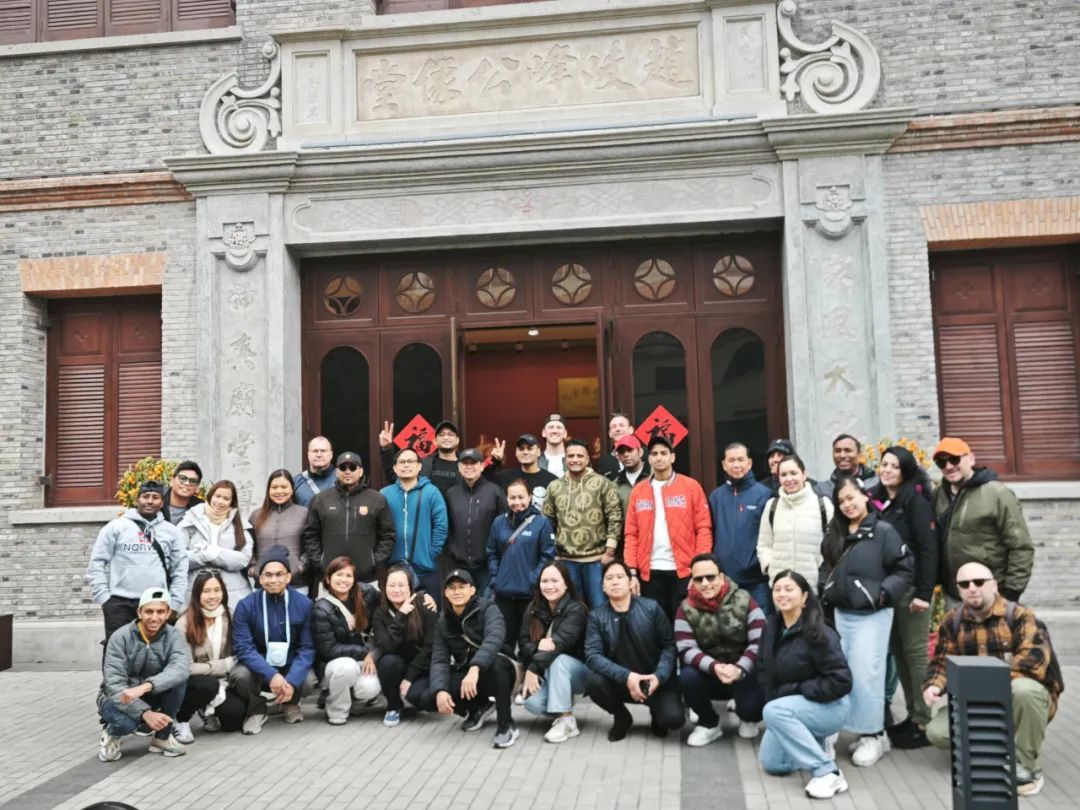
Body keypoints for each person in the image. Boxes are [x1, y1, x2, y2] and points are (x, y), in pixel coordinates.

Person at [923, 562, 1063, 797]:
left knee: (1025, 690)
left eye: (979, 582)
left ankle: (1027, 767)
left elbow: (1033, 662)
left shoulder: (1020, 616)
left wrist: (990, 684)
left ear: (994, 586)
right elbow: (941, 662)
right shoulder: (952, 621)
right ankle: (996, 747)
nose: (972, 588)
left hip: (1019, 698)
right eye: (964, 584)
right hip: (977, 702)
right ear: (959, 591)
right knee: (937, 733)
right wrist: (933, 685)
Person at [820, 475, 913, 767]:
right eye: (841, 501)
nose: (847, 505)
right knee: (844, 672)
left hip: (873, 614)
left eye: (851, 497)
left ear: (864, 496)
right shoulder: (836, 532)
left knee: (867, 675)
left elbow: (904, 569)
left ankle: (874, 734)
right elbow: (827, 567)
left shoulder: (883, 531)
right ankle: (859, 730)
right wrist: (826, 590)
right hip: (841, 612)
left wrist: (883, 594)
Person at [757, 570, 852, 800]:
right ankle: (815, 743)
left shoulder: (820, 632)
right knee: (773, 764)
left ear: (805, 597)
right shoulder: (771, 627)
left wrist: (796, 690)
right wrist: (777, 697)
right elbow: (763, 669)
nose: (782, 594)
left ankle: (828, 772)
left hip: (830, 706)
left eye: (789, 589)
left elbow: (841, 681)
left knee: (773, 712)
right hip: (791, 708)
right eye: (777, 589)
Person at [870, 446, 938, 749]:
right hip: (889, 588)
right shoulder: (876, 499)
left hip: (912, 590)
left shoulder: (916, 501)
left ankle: (924, 720)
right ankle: (913, 716)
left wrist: (924, 593)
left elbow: (928, 549)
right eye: (884, 464)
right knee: (899, 653)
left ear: (906, 470)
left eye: (894, 466)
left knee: (915, 654)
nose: (887, 470)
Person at [583, 560, 683, 741]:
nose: (615, 582)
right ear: (603, 587)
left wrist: (658, 676)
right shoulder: (596, 616)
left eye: (620, 577)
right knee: (592, 682)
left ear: (630, 583)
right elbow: (593, 655)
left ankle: (656, 712)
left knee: (673, 720)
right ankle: (622, 717)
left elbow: (669, 645)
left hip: (654, 681)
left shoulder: (651, 608)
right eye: (609, 578)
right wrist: (628, 677)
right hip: (621, 682)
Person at [676, 553, 767, 746]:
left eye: (710, 577)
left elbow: (760, 641)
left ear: (721, 576)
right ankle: (709, 723)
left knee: (759, 690)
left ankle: (747, 716)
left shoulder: (745, 600)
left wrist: (740, 669)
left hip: (743, 674)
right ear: (692, 581)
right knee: (687, 677)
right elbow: (686, 648)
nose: (705, 583)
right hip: (710, 674)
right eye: (699, 579)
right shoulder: (684, 608)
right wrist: (715, 667)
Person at [931, 437, 1033, 604]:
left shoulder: (997, 493)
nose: (948, 466)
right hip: (955, 593)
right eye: (941, 463)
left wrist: (1012, 592)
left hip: (992, 593)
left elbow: (1020, 546)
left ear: (971, 458)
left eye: (954, 459)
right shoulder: (938, 494)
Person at [623, 436, 712, 622]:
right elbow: (631, 534)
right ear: (649, 458)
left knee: (685, 623)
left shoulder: (691, 486)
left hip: (684, 571)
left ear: (672, 457)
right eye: (654, 453)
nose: (659, 457)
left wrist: (699, 567)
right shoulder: (638, 491)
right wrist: (632, 571)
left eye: (664, 453)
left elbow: (703, 529)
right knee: (656, 625)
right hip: (650, 572)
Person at [87, 480, 188, 644]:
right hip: (120, 604)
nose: (150, 501)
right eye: (145, 496)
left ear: (162, 502)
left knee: (154, 652)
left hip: (156, 604)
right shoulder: (115, 527)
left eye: (155, 497)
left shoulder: (172, 532)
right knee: (118, 652)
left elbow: (180, 570)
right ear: (137, 500)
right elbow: (96, 563)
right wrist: (104, 598)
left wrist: (175, 603)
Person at [230, 545, 317, 735]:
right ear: (260, 578)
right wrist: (272, 674)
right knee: (240, 676)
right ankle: (257, 709)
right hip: (258, 667)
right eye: (268, 575)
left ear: (288, 577)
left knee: (308, 680)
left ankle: (290, 702)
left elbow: (307, 648)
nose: (273, 580)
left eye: (279, 574)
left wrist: (292, 681)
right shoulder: (246, 606)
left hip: (290, 664)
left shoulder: (304, 604)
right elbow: (243, 647)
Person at [97, 587, 190, 762]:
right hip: (117, 698)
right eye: (149, 611)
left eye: (160, 612)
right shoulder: (120, 637)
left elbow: (181, 667)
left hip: (148, 692)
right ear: (139, 612)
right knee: (126, 724)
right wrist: (146, 714)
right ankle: (111, 733)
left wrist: (146, 686)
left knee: (179, 681)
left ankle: (162, 737)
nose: (154, 617)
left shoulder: (174, 636)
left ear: (168, 613)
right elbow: (114, 686)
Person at [431, 569, 519, 748]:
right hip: (471, 673)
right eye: (452, 588)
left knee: (497, 666)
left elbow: (494, 639)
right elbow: (439, 659)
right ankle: (479, 707)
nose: (457, 592)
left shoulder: (488, 608)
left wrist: (475, 667)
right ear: (446, 592)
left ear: (472, 590)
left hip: (503, 668)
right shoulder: (443, 621)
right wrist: (440, 690)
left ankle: (506, 725)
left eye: (462, 587)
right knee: (434, 691)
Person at [543, 439, 623, 609]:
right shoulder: (554, 486)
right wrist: (553, 554)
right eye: (571, 456)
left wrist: (610, 550)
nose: (575, 459)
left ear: (587, 459)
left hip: (596, 559)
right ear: (565, 459)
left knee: (599, 607)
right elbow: (547, 521)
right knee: (573, 609)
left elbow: (615, 515)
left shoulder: (602, 483)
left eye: (580, 456)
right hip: (565, 560)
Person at [302, 451, 396, 588]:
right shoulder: (320, 500)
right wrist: (320, 562)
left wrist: (373, 562)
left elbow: (387, 535)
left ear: (361, 471)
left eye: (352, 467)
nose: (347, 471)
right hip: (330, 578)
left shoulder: (376, 499)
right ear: (336, 472)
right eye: (343, 467)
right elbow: (310, 534)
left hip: (366, 579)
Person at [519, 562, 590, 743]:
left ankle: (567, 721)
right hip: (549, 671)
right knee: (532, 704)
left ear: (566, 584)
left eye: (555, 581)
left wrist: (533, 669)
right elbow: (523, 644)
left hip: (579, 673)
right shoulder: (533, 608)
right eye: (545, 581)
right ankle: (562, 703)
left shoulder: (576, 609)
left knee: (559, 660)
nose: (549, 586)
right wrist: (538, 645)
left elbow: (559, 645)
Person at [174, 570, 246, 740]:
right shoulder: (184, 623)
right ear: (197, 594)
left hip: (222, 681)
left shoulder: (230, 615)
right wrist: (224, 665)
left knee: (234, 719)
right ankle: (181, 719)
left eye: (217, 590)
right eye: (206, 591)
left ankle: (206, 709)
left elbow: (237, 653)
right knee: (207, 685)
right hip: (193, 682)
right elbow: (186, 667)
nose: (212, 596)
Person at [313, 556, 382, 725]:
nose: (344, 580)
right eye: (339, 575)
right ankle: (337, 710)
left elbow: (392, 599)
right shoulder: (321, 608)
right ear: (328, 579)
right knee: (347, 668)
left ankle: (356, 701)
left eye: (348, 576)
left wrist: (423, 597)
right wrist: (365, 653)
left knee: (370, 688)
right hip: (334, 664)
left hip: (361, 659)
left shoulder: (367, 594)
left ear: (354, 579)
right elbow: (328, 650)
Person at [487, 479, 556, 647]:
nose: (517, 502)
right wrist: (496, 577)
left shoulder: (541, 523)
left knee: (530, 642)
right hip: (504, 593)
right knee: (504, 641)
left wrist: (534, 579)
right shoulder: (499, 522)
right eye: (512, 498)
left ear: (530, 496)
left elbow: (547, 556)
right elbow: (492, 552)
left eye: (521, 497)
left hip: (530, 594)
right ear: (507, 498)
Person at [709, 441, 774, 613]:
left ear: (749, 463)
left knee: (762, 628)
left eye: (740, 459)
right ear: (724, 465)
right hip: (725, 582)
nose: (736, 465)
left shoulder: (764, 494)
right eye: (731, 460)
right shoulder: (716, 497)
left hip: (757, 583)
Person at [372, 564, 439, 727]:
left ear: (410, 587)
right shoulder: (380, 613)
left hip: (422, 666)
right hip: (397, 664)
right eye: (391, 585)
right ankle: (393, 706)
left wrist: (409, 677)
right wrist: (400, 616)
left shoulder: (424, 604)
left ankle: (417, 693)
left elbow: (430, 646)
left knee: (424, 700)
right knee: (387, 662)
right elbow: (387, 646)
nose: (396, 590)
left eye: (401, 585)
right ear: (384, 587)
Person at [380, 447, 449, 597]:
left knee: (429, 608)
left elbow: (441, 525)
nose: (406, 465)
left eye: (410, 461)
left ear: (419, 466)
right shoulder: (384, 494)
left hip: (426, 567)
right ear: (395, 468)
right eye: (402, 462)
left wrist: (432, 552)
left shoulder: (431, 492)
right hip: (394, 568)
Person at [756, 454, 832, 586]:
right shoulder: (772, 506)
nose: (789, 479)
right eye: (783, 475)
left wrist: (822, 570)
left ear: (804, 474)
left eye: (793, 473)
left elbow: (834, 544)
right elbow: (764, 544)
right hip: (781, 588)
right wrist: (770, 567)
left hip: (813, 585)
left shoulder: (822, 505)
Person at [443, 448, 507, 596]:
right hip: (458, 564)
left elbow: (505, 526)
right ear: (459, 467)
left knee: (487, 604)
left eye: (473, 463)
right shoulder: (451, 493)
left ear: (482, 466)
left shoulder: (495, 491)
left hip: (487, 566)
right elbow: (446, 527)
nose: (469, 467)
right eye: (465, 463)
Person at [180, 480, 253, 608]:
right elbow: (177, 558)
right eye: (217, 496)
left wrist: (217, 554)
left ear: (232, 502)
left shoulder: (240, 523)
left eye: (226, 498)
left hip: (232, 594)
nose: (220, 501)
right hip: (195, 592)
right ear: (210, 496)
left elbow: (244, 559)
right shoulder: (191, 519)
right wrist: (201, 557)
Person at [249, 469, 310, 595]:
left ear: (292, 489)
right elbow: (248, 546)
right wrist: (253, 568)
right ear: (268, 490)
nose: (279, 491)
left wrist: (300, 567)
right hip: (262, 585)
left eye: (284, 487)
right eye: (274, 487)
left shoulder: (304, 513)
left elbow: (311, 546)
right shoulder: (256, 515)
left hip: (296, 585)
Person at [380, 419, 465, 494]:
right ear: (435, 441)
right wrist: (386, 448)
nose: (446, 438)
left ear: (457, 440)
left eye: (450, 434)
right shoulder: (424, 464)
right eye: (441, 435)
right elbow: (395, 477)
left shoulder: (466, 465)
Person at [491, 433, 558, 510]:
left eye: (530, 448)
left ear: (538, 452)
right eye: (521, 449)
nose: (525, 452)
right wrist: (495, 462)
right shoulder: (504, 477)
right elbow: (483, 483)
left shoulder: (552, 481)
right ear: (516, 453)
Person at [612, 434, 650, 560]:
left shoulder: (654, 477)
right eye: (621, 452)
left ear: (640, 452)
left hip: (653, 543)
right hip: (626, 546)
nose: (626, 455)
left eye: (630, 450)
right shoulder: (614, 485)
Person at [815, 434, 879, 499]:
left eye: (848, 450)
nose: (842, 455)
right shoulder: (822, 490)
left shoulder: (876, 483)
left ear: (859, 454)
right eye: (837, 451)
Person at [292, 436, 336, 507]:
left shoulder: (342, 479)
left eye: (323, 451)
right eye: (315, 451)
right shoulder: (296, 482)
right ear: (308, 455)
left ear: (331, 454)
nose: (319, 455)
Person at [161, 461, 204, 526]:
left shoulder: (201, 509)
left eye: (193, 481)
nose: (187, 483)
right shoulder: (156, 503)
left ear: (197, 487)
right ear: (172, 481)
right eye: (182, 478)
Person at [595, 412, 635, 481]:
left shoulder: (644, 455)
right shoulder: (604, 461)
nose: (618, 429)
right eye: (614, 427)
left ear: (631, 430)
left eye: (622, 425)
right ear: (610, 433)